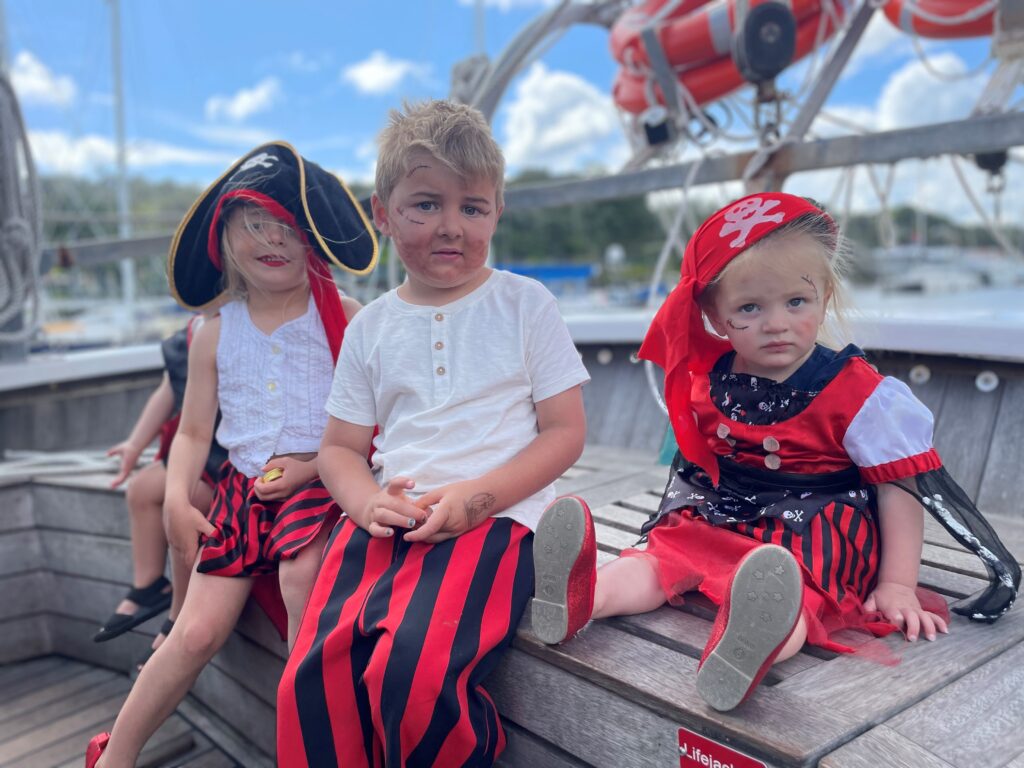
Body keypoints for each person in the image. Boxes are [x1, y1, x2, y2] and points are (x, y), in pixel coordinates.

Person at [530, 192, 1020, 712]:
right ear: (715, 319)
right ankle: (582, 598)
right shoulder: (714, 379)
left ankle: (748, 645)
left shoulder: (859, 394)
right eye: (749, 308)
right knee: (661, 557)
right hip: (723, 512)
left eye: (796, 302)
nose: (776, 323)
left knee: (797, 594)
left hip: (811, 533)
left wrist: (897, 583)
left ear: (825, 298)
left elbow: (897, 487)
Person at [276, 100, 590, 768]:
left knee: (411, 672)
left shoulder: (524, 305)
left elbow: (564, 433)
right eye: (426, 205)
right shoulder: (371, 327)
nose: (452, 226)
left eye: (472, 208)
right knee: (311, 677)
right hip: (388, 515)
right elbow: (339, 449)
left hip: (496, 516)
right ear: (383, 213)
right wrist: (363, 503)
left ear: (496, 213)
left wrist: (476, 498)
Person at [85, 141, 378, 768]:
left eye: (292, 227)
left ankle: (312, 746)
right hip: (244, 501)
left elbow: (370, 422)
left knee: (304, 584)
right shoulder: (213, 331)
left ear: (315, 239)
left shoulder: (346, 319)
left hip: (320, 490)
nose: (274, 239)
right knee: (193, 632)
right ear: (224, 237)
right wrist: (175, 498)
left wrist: (311, 464)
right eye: (255, 224)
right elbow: (192, 434)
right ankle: (114, 756)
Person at [93, 314, 225, 670]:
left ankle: (179, 611)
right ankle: (150, 583)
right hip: (198, 448)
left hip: (228, 457)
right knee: (142, 490)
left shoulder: (242, 327)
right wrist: (136, 444)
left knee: (186, 502)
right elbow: (168, 391)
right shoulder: (193, 330)